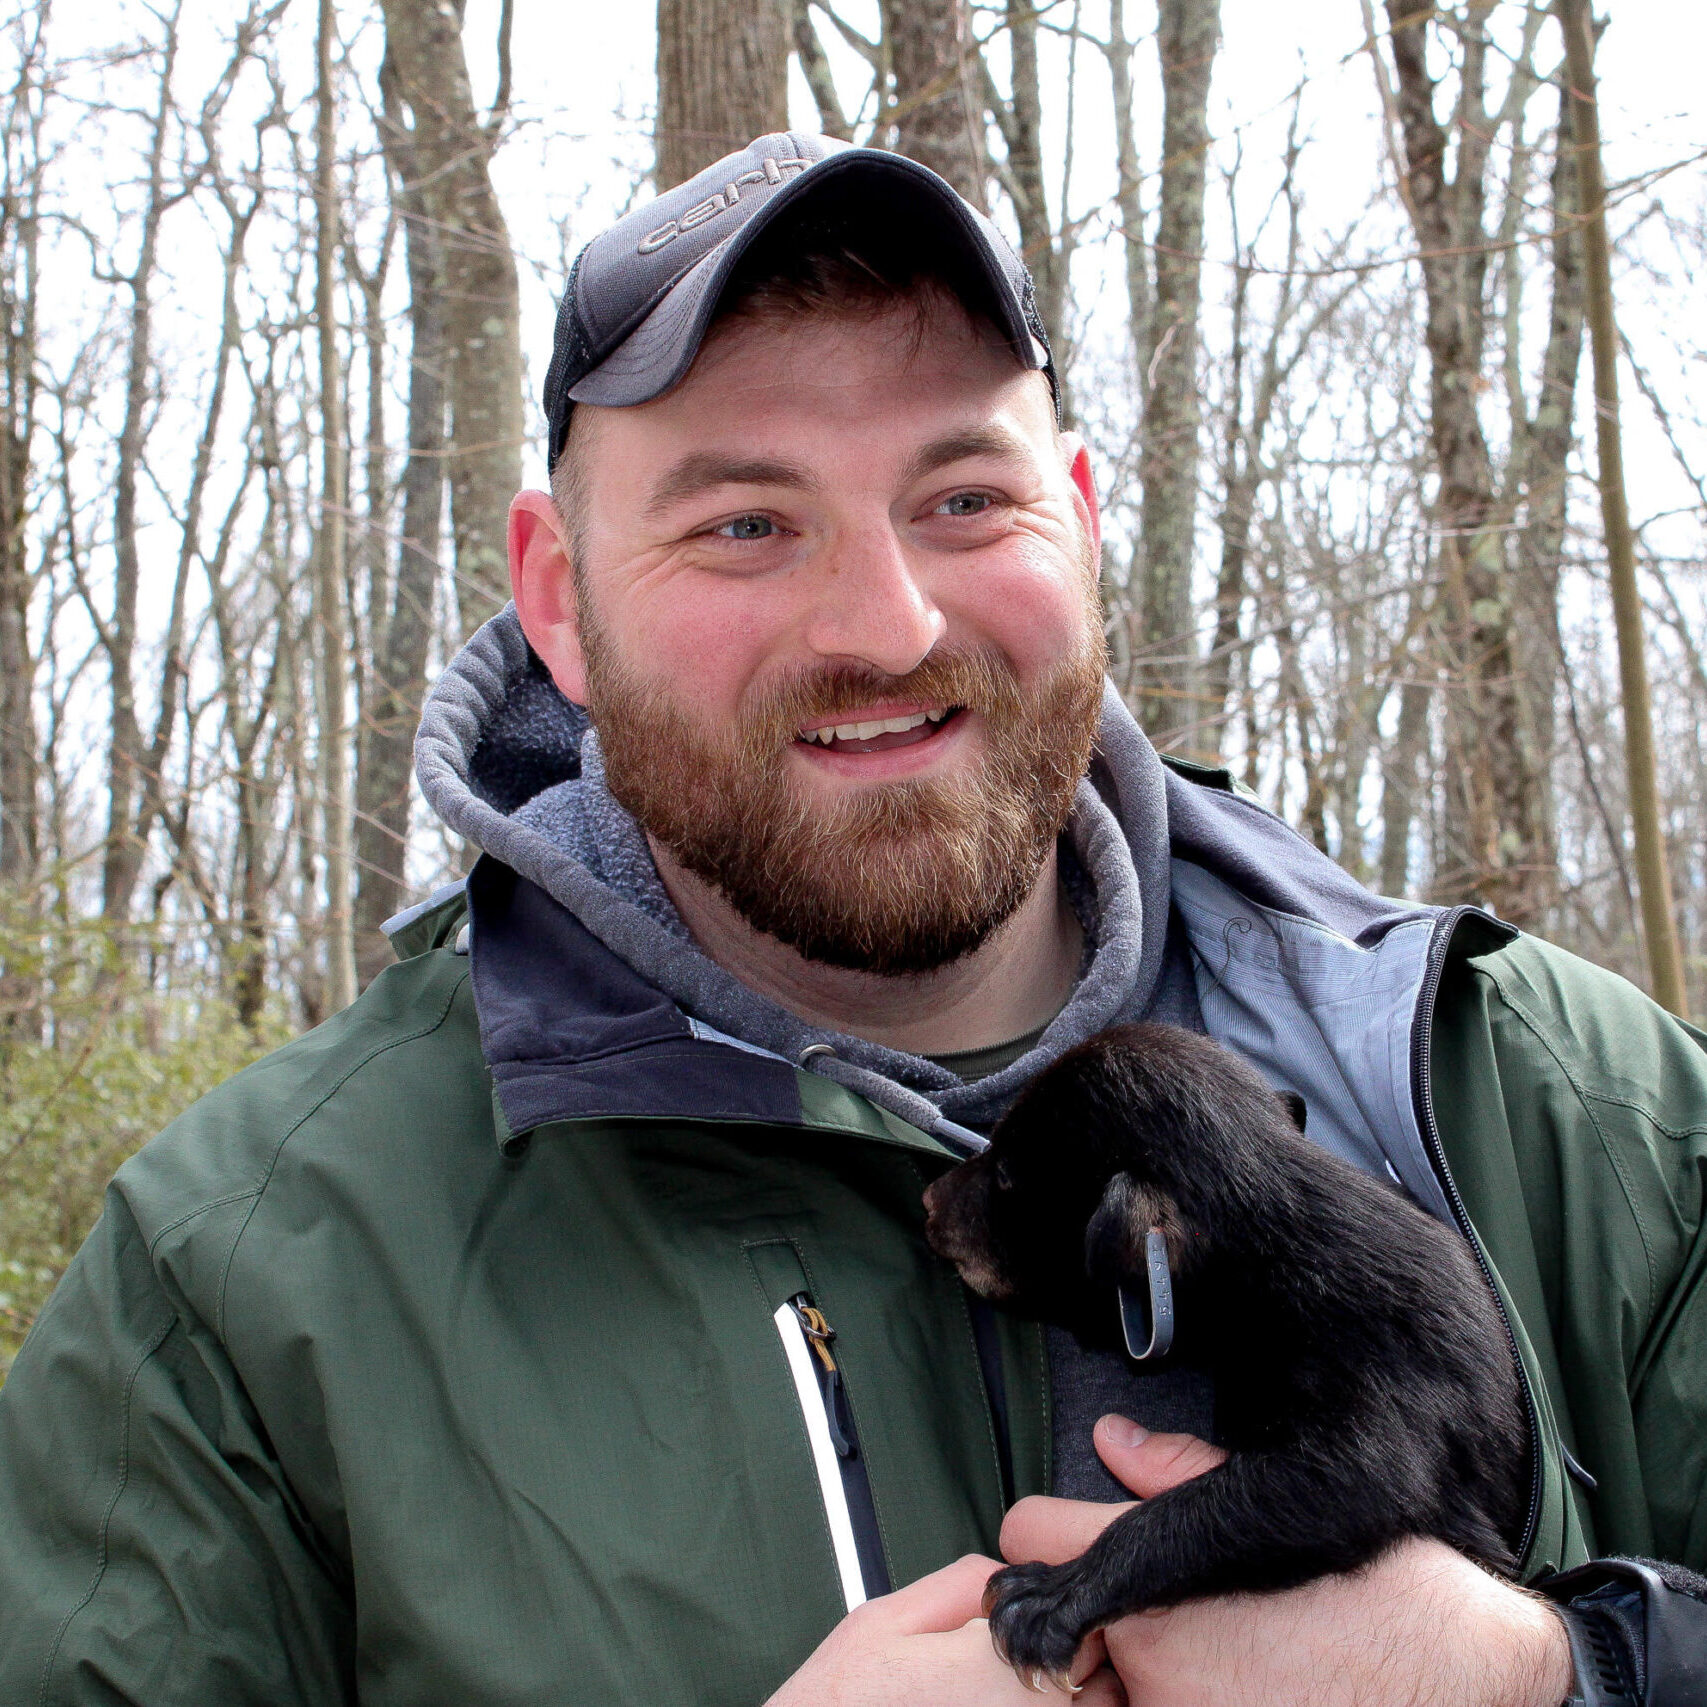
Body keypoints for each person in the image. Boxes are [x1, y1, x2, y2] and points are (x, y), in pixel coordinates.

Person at [1, 131, 1703, 1707]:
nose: (886, 627)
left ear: (1083, 523)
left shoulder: (1571, 1112)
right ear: (560, 605)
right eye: (746, 524)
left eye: (965, 497)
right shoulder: (244, 1289)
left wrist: (1559, 1675)